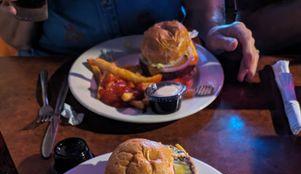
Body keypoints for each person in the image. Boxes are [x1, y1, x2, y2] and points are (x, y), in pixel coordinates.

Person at [0, 0, 260, 81]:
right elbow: (17, 34)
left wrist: (213, 30)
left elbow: (205, 11)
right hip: (56, 79)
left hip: (169, 79)